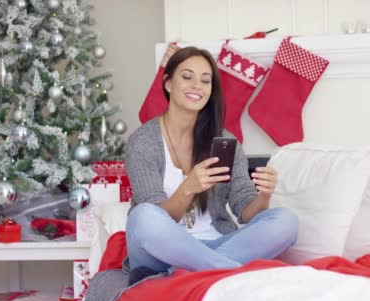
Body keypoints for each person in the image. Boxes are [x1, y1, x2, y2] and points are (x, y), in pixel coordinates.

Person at [124, 46, 298, 285]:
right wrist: (189, 188)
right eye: (187, 77)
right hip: (160, 254)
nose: (197, 86)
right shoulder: (142, 142)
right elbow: (156, 218)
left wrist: (264, 196)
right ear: (168, 83)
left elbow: (244, 209)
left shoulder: (225, 141)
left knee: (285, 221)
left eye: (205, 81)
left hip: (219, 243)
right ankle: (230, 272)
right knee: (142, 216)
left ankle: (185, 273)